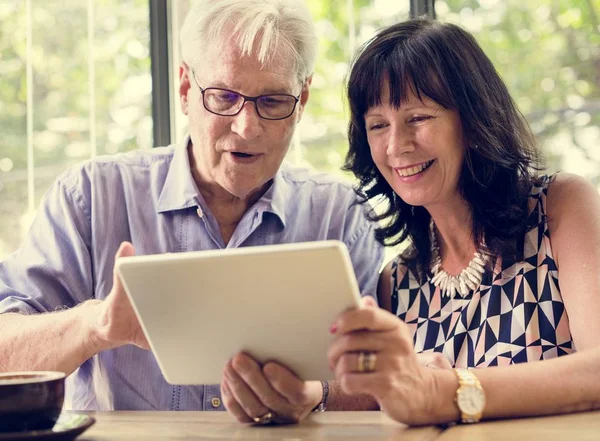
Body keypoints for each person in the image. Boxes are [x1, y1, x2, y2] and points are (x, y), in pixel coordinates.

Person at [0, 0, 384, 414]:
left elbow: (380, 379)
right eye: (223, 96)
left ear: (302, 99)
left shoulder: (342, 215)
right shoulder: (91, 196)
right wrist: (95, 325)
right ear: (185, 89)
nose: (246, 127)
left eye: (272, 102)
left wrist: (318, 393)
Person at [329, 19, 600, 425]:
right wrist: (307, 395)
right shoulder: (397, 280)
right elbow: (379, 399)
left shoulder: (559, 207)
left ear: (472, 120)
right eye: (378, 125)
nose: (396, 145)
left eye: (418, 118)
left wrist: (443, 392)